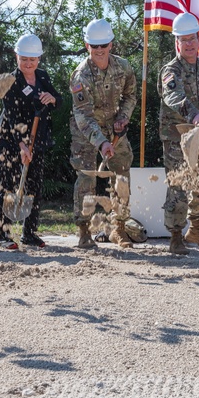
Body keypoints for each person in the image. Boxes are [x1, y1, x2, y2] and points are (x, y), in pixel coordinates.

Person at [69, 19, 137, 249]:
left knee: (122, 177)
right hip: (86, 131)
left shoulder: (124, 67)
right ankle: (84, 231)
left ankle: (118, 229)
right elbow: (83, 116)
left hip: (114, 126)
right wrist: (101, 143)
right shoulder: (81, 76)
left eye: (103, 45)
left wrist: (123, 118)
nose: (99, 50)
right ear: (86, 45)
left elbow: (130, 96)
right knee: (87, 177)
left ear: (111, 44)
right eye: (94, 45)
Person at [159, 12, 199, 255]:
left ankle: (196, 228)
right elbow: (173, 96)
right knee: (178, 183)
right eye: (184, 40)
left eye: (192, 38)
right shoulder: (170, 70)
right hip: (177, 136)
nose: (189, 44)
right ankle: (176, 236)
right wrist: (194, 113)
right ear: (177, 42)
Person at [0, 33, 61, 250]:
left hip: (37, 139)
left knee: (34, 186)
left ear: (39, 59)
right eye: (24, 59)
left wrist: (52, 99)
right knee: (9, 185)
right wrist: (22, 146)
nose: (28, 63)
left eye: (32, 59)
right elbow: (12, 117)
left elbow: (57, 99)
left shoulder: (43, 76)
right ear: (17, 56)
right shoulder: (10, 82)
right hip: (9, 140)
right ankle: (3, 234)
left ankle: (29, 233)